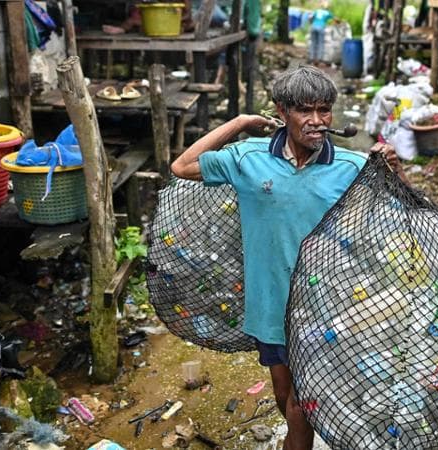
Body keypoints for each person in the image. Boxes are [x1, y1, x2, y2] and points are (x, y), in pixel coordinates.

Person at [171, 65, 407, 449]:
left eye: (324, 110)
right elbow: (182, 166)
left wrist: (396, 171)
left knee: (301, 405)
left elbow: (409, 209)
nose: (317, 121)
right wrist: (240, 122)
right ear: (282, 111)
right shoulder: (248, 159)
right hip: (270, 304)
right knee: (286, 397)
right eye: (305, 111)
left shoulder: (350, 166)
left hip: (328, 306)